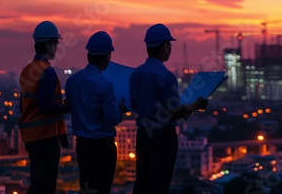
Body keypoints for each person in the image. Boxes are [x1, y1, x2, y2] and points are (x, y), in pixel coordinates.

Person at [130, 23, 209, 194]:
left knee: (142, 181)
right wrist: (197, 104)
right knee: (159, 183)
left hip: (143, 133)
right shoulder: (166, 76)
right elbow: (177, 111)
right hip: (163, 134)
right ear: (165, 46)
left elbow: (134, 105)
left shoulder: (136, 74)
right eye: (170, 45)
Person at [66, 31, 125, 194]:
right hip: (102, 146)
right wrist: (120, 110)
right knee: (100, 189)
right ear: (108, 55)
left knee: (85, 188)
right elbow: (112, 119)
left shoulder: (73, 81)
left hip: (82, 145)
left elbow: (70, 106)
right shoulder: (105, 85)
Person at [19, 21, 69, 194]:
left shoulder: (28, 70)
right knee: (45, 186)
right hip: (45, 137)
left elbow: (23, 105)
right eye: (55, 43)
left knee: (37, 183)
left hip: (31, 138)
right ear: (49, 44)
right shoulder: (47, 72)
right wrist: (67, 107)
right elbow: (46, 106)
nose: (56, 47)